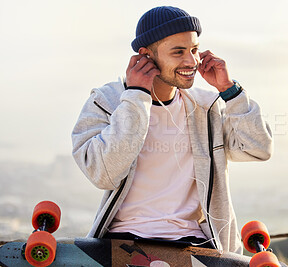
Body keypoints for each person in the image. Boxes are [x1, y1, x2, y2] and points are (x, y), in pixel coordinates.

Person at [71, 6, 273, 254]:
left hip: (195, 244)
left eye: (194, 50)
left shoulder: (206, 107)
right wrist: (136, 96)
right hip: (122, 242)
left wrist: (229, 90)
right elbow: (103, 174)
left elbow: (259, 149)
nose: (192, 61)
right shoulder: (106, 101)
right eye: (178, 52)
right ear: (145, 55)